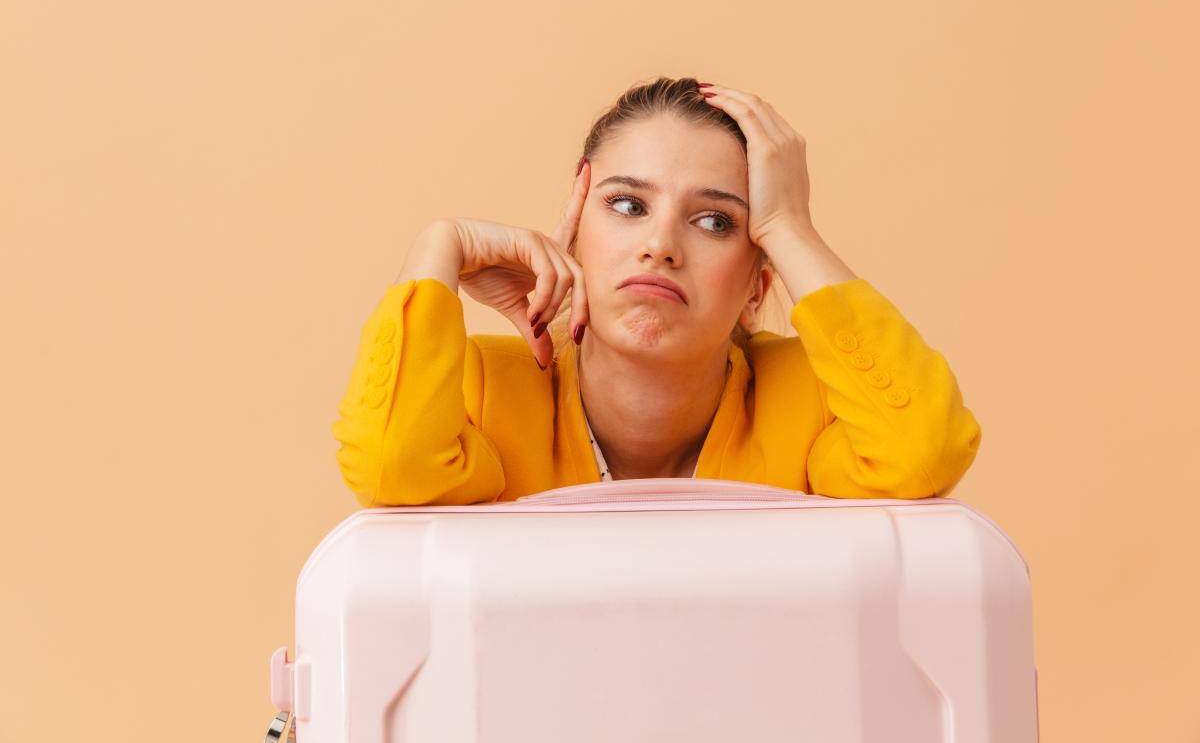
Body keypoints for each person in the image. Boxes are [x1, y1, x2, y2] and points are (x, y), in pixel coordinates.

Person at [332, 77, 981, 507]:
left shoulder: (810, 402)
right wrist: (436, 247)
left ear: (757, 288)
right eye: (626, 204)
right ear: (575, 234)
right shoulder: (476, 391)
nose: (661, 244)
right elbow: (392, 465)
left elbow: (923, 453)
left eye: (714, 220)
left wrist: (788, 224)